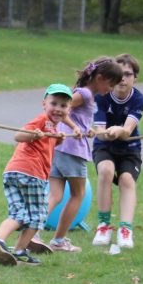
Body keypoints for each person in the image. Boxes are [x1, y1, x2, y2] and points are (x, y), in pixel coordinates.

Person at [32, 57, 122, 254]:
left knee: (55, 195)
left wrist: (84, 128)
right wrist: (75, 127)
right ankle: (58, 240)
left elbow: (67, 114)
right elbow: (60, 109)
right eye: (111, 84)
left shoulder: (85, 93)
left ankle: (33, 233)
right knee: (77, 195)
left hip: (58, 147)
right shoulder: (86, 94)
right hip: (72, 149)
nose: (111, 89)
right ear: (100, 78)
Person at [0, 84, 71, 266]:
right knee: (37, 216)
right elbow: (19, 136)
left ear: (68, 109)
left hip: (13, 172)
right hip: (31, 174)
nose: (58, 109)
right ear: (44, 104)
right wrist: (33, 135)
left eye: (63, 105)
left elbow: (46, 145)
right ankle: (20, 251)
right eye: (54, 103)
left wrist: (58, 139)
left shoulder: (52, 127)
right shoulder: (42, 120)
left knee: (19, 213)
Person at [89, 54, 143, 250]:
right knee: (106, 171)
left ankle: (125, 229)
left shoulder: (139, 99)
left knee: (126, 180)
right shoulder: (102, 96)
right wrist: (106, 133)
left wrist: (119, 130)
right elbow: (99, 130)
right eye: (119, 74)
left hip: (130, 149)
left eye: (128, 74)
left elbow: (128, 130)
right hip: (104, 146)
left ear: (135, 78)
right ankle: (103, 226)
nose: (123, 79)